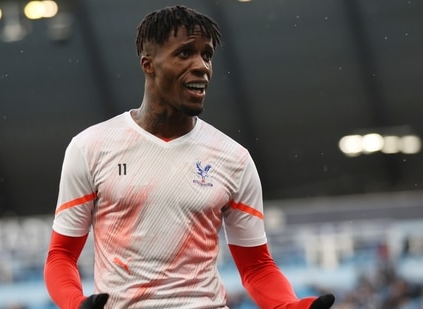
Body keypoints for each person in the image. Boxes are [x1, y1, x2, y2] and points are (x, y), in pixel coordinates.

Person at [44, 5, 335, 309]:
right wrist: (75, 304)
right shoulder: (91, 147)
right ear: (148, 64)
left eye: (207, 55)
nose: (202, 67)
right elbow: (61, 256)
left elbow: (256, 267)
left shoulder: (233, 159)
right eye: (185, 54)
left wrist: (290, 306)